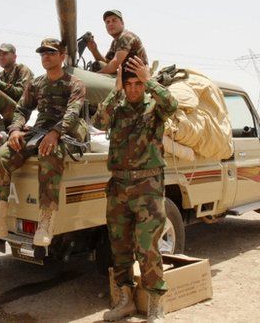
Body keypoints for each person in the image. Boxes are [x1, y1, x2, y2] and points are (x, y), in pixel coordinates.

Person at [0, 38, 86, 247]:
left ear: (62, 56)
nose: (46, 56)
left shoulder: (74, 83)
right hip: (40, 129)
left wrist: (55, 132)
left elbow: (73, 112)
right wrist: (14, 130)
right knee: (0, 157)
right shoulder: (37, 83)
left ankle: (45, 221)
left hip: (67, 129)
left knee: (50, 153)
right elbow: (22, 109)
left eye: (51, 53)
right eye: (43, 53)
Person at [92, 57, 178, 323]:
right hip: (118, 187)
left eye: (137, 83)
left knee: (147, 247)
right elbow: (98, 121)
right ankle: (125, 300)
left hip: (147, 189)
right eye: (128, 84)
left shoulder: (155, 109)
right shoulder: (117, 109)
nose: (133, 88)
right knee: (119, 247)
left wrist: (149, 79)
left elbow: (172, 105)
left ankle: (155, 304)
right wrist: (114, 90)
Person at [86, 9, 149, 74]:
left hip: (138, 79)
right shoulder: (115, 42)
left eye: (114, 20)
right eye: (107, 22)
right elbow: (107, 63)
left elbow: (114, 65)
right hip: (129, 76)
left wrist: (95, 75)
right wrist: (94, 50)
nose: (110, 24)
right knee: (98, 65)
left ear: (122, 23)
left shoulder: (126, 37)